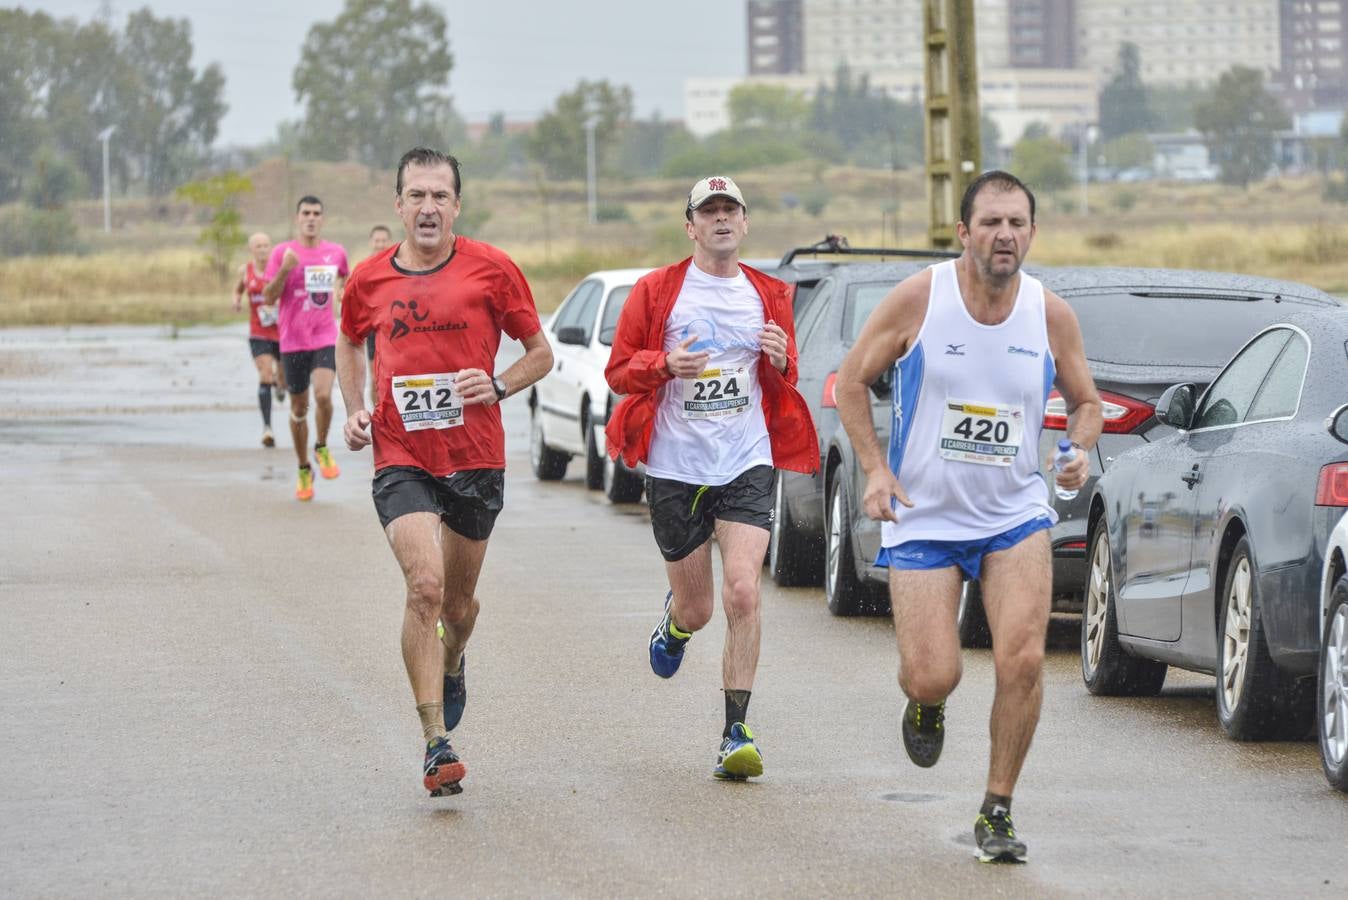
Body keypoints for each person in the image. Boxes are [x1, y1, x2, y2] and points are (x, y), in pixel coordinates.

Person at [833, 170, 1102, 863]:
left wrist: (1076, 448)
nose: (1004, 234)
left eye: (1017, 222)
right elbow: (852, 380)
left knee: (1023, 659)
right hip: (923, 516)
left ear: (1033, 233)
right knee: (934, 673)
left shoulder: (1050, 313)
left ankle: (997, 809)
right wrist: (875, 470)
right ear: (964, 232)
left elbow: (1086, 401)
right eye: (991, 222)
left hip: (1014, 515)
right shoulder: (923, 299)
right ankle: (925, 702)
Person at [336, 147, 552, 798]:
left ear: (457, 205)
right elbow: (348, 340)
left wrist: (497, 384)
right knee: (424, 587)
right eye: (416, 195)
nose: (428, 207)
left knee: (456, 607)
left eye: (440, 196)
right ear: (398, 205)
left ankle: (453, 659)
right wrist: (353, 410)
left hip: (475, 458)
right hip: (401, 455)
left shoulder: (493, 270)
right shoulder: (368, 280)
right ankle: (436, 743)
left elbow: (539, 354)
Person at [604, 176, 818, 781]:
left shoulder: (770, 293)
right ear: (690, 225)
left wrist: (781, 360)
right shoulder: (656, 291)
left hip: (745, 460)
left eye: (731, 210)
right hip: (675, 467)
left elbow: (786, 371)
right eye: (709, 211)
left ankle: (735, 732)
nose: (721, 219)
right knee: (699, 609)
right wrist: (663, 364)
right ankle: (675, 624)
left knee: (745, 590)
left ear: (745, 224)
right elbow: (618, 372)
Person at [263, 196, 350, 501]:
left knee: (324, 395)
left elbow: (345, 278)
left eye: (316, 213)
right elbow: (269, 297)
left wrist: (343, 291)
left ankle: (322, 446)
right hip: (292, 340)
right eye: (306, 213)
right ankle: (303, 468)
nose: (311, 218)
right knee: (299, 408)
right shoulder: (281, 253)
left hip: (325, 336)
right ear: (297, 218)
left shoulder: (335, 252)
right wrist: (286, 269)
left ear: (322, 219)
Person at [231, 231, 287, 446]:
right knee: (265, 375)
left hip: (282, 333)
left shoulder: (279, 270)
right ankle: (267, 429)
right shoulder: (245, 271)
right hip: (258, 333)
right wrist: (236, 301)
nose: (263, 250)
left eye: (266, 245)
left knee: (282, 379)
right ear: (251, 249)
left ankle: (281, 386)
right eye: (259, 246)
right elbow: (238, 290)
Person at [364, 225, 393, 408]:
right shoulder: (365, 269)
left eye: (384, 241)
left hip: (396, 327)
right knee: (375, 377)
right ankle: (377, 415)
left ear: (389, 242)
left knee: (394, 375)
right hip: (373, 328)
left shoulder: (399, 264)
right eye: (377, 241)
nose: (380, 244)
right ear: (371, 242)